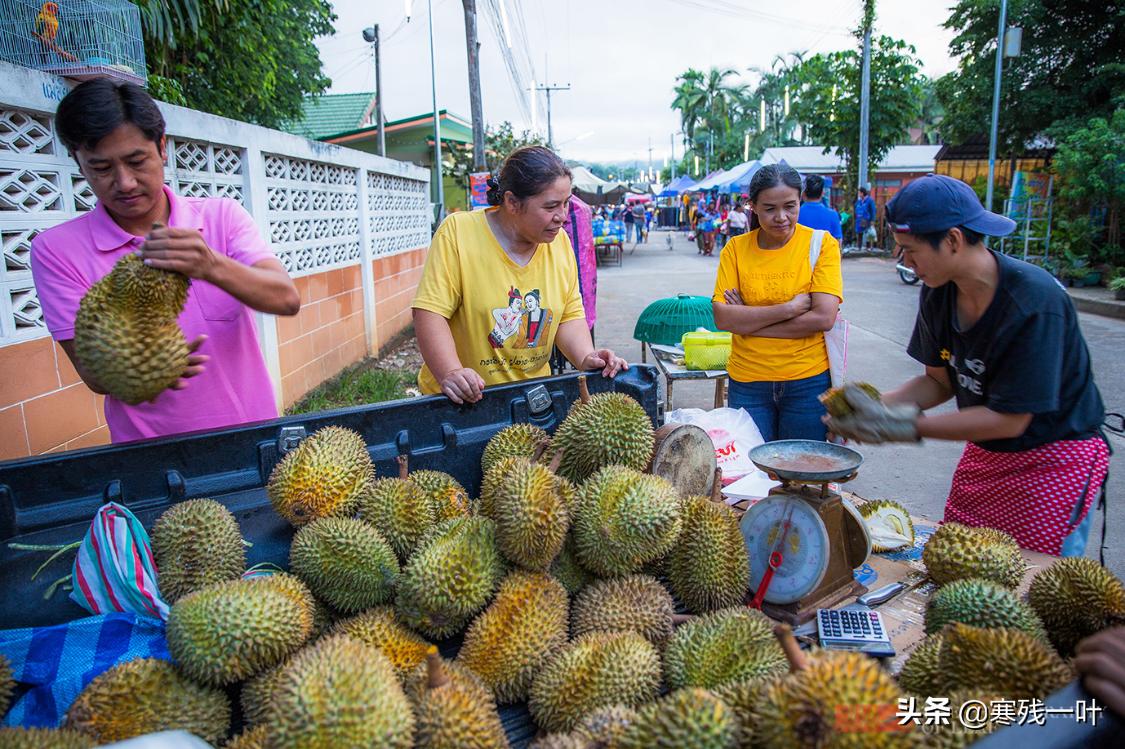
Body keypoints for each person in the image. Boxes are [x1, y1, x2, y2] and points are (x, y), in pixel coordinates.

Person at [826, 174, 1108, 557]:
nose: (903, 260)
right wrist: (876, 406)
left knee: (1029, 582)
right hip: (986, 452)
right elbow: (938, 383)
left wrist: (903, 426)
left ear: (954, 240)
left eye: (910, 249)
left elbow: (1010, 419)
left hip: (1052, 462)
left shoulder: (1034, 304)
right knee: (956, 565)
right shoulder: (938, 293)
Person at [30, 79, 300, 443]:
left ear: (161, 148)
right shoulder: (56, 251)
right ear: (79, 163)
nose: (124, 182)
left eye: (136, 161)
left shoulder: (221, 217)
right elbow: (93, 377)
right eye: (101, 168)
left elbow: (285, 298)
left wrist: (210, 266)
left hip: (253, 442)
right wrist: (147, 369)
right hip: (150, 459)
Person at [412, 146, 627, 404]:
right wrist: (451, 371)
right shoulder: (459, 233)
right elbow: (430, 312)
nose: (562, 216)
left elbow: (568, 315)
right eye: (551, 206)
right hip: (463, 403)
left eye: (566, 202)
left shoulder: (559, 244)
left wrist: (585, 357)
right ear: (512, 202)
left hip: (532, 398)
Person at [712, 164, 843, 442]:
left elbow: (823, 318)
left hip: (808, 381)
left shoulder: (821, 245)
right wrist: (789, 309)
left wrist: (748, 320)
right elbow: (723, 319)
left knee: (801, 473)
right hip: (748, 381)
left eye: (790, 206)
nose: (781, 217)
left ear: (801, 201)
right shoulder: (735, 250)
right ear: (753, 207)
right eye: (770, 208)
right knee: (753, 475)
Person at [798, 175, 843, 240]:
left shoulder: (794, 215)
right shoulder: (833, 215)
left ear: (803, 193)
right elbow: (838, 242)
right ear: (822, 193)